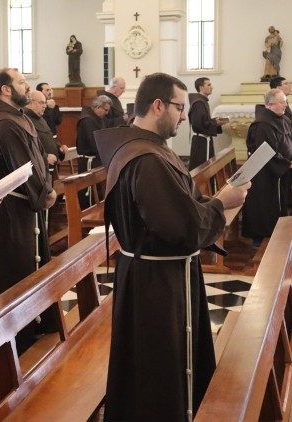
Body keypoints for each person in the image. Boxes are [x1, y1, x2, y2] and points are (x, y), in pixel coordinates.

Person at [95, 72, 249, 420]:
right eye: (180, 108)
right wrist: (222, 205)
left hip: (154, 273)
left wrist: (215, 203)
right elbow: (181, 227)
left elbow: (183, 206)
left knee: (152, 364)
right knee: (157, 368)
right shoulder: (146, 159)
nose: (183, 116)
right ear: (158, 105)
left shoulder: (145, 148)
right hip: (157, 283)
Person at [0, 68, 57, 353]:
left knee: (32, 265)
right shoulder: (4, 124)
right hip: (14, 207)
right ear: (6, 90)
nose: (27, 86)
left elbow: (36, 160)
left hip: (26, 204)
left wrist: (45, 188)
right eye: (22, 83)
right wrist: (44, 192)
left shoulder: (15, 118)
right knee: (17, 270)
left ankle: (36, 324)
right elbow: (22, 165)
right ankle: (18, 338)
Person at [242, 88, 292, 246]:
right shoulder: (262, 124)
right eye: (282, 102)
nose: (285, 105)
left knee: (280, 203)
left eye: (286, 101)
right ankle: (263, 238)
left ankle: (279, 232)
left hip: (281, 172)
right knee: (265, 206)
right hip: (267, 175)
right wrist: (286, 163)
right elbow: (267, 151)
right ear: (270, 104)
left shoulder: (282, 119)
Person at [76, 95, 111, 207]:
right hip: (89, 163)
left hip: (97, 161)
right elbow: (94, 144)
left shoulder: (99, 119)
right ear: (97, 107)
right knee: (89, 195)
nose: (107, 113)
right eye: (105, 110)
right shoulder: (87, 121)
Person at [188, 77, 225, 170]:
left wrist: (215, 121)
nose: (212, 87)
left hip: (204, 140)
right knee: (202, 170)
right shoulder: (199, 103)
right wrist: (215, 122)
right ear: (201, 87)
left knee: (206, 168)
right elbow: (198, 125)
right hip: (201, 142)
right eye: (208, 85)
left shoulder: (202, 101)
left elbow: (204, 121)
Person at [24, 90, 66, 167]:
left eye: (45, 103)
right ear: (30, 103)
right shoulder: (24, 120)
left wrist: (59, 149)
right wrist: (45, 157)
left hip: (49, 167)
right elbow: (26, 148)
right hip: (38, 167)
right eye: (41, 103)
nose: (45, 106)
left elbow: (49, 139)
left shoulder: (41, 119)